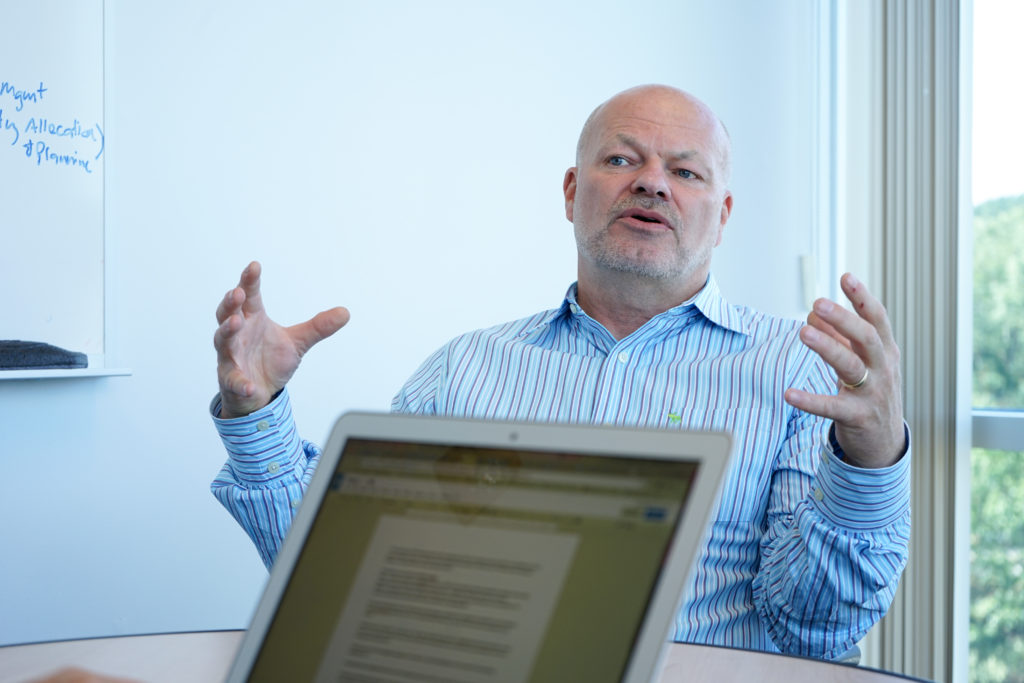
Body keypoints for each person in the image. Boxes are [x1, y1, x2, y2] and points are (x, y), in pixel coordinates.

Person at [210, 84, 910, 661]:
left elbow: (813, 628)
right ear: (572, 192)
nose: (651, 182)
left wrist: (870, 457)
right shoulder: (464, 369)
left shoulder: (799, 370)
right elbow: (344, 579)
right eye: (622, 159)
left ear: (722, 216)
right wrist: (256, 410)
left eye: (686, 172)